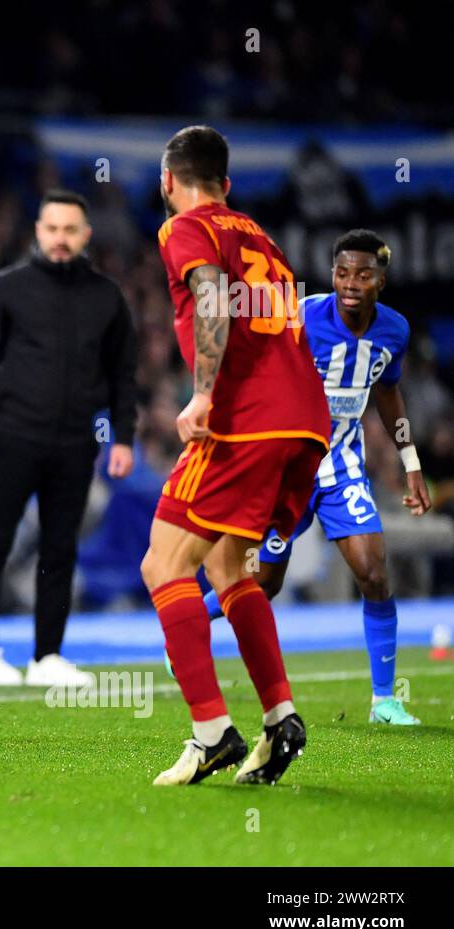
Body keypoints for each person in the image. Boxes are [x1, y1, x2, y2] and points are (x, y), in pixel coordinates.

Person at [141, 125, 331, 786]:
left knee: (162, 563)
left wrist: (202, 395)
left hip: (245, 419)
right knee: (227, 565)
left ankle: (211, 732)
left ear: (170, 182)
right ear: (227, 183)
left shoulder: (185, 228)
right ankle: (281, 721)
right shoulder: (261, 236)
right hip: (305, 422)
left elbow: (211, 297)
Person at [199, 231, 432, 724]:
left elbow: (388, 395)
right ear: (333, 275)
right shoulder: (302, 315)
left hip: (343, 467)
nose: (351, 284)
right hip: (287, 468)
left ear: (381, 281)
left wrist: (410, 462)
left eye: (363, 275)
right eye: (343, 273)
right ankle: (191, 622)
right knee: (262, 583)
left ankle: (384, 702)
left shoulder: (395, 331)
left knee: (373, 574)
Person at [0, 189, 138, 687]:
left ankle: (47, 657)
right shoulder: (9, 288)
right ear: (39, 231)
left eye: (70, 230)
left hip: (77, 443)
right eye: (52, 228)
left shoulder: (107, 297)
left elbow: (124, 375)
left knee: (61, 548)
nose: (60, 239)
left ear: (86, 235)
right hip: (12, 436)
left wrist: (123, 437)